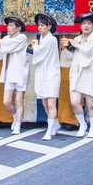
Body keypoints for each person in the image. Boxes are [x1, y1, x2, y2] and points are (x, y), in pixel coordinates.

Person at [0, 16, 29, 135]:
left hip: (21, 73)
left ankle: (18, 125)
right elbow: (1, 52)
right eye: (8, 25)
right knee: (6, 101)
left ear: (18, 28)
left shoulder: (22, 37)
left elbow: (5, 44)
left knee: (19, 100)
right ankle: (15, 116)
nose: (8, 28)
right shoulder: (6, 39)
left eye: (11, 26)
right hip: (9, 73)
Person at [64, 12, 93, 138]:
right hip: (76, 72)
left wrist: (76, 45)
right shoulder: (77, 39)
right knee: (74, 102)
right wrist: (68, 47)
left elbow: (88, 52)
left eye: (89, 23)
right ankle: (82, 124)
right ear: (80, 26)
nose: (86, 26)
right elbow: (70, 56)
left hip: (89, 73)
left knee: (91, 103)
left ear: (92, 25)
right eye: (84, 24)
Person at [32, 13, 61, 141]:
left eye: (42, 25)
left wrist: (34, 45)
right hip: (42, 73)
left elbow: (39, 52)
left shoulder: (51, 39)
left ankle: (49, 130)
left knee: (51, 103)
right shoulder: (43, 39)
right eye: (39, 25)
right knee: (44, 102)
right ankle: (55, 123)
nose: (40, 28)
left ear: (49, 26)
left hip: (51, 73)